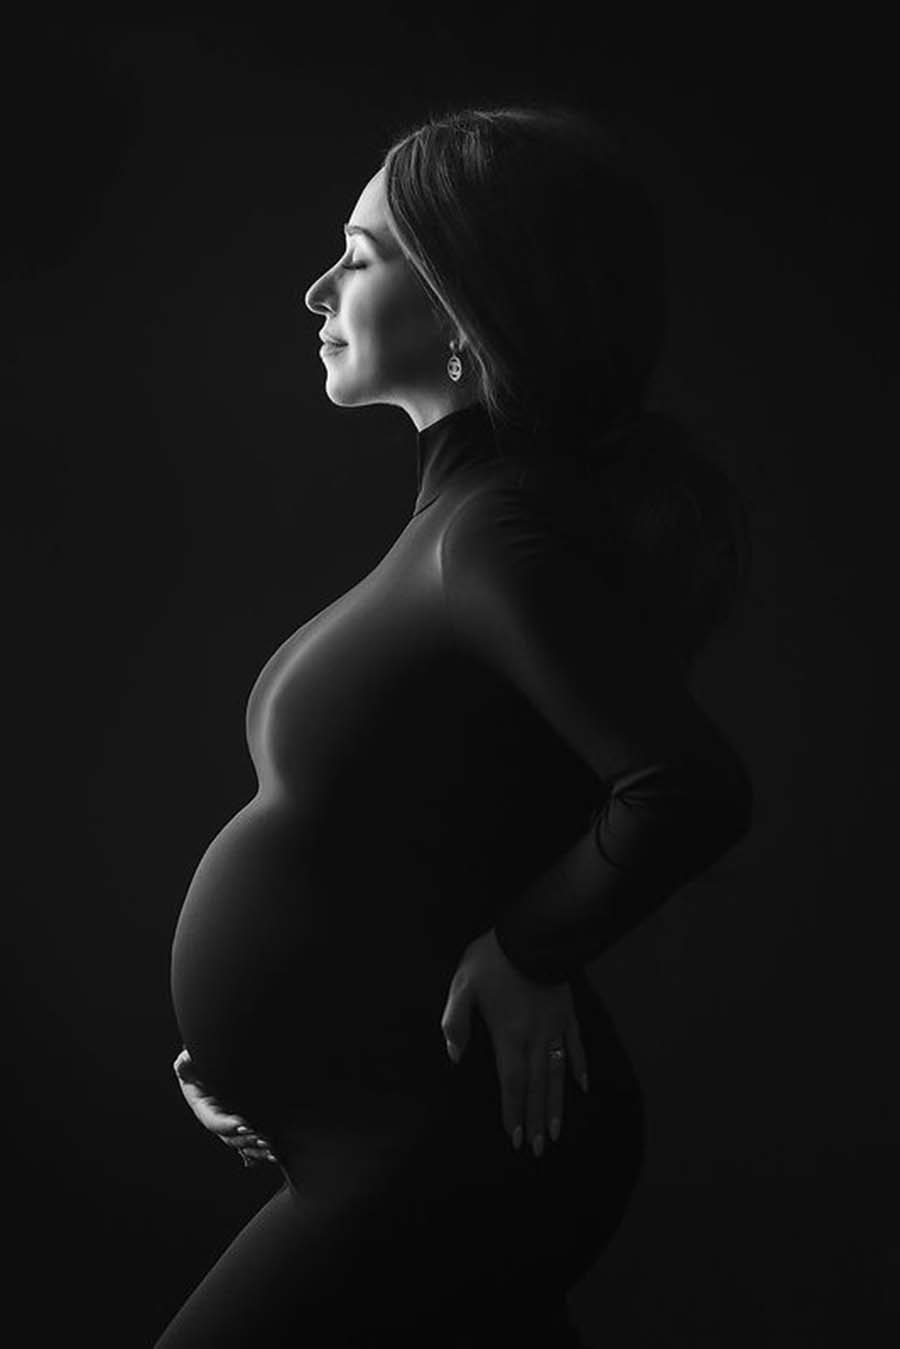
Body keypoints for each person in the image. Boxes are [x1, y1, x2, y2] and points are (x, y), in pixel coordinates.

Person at [156, 104, 754, 1347]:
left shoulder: (492, 533)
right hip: (391, 1128)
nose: (318, 290)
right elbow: (453, 824)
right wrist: (265, 1049)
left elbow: (683, 784)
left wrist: (531, 947)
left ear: (469, 313)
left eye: (360, 257)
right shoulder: (462, 525)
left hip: (448, 1142)